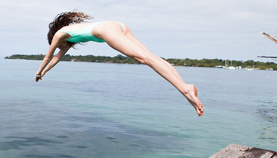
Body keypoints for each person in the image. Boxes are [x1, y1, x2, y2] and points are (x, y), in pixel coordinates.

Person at [35, 11, 204, 116]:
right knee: (149, 56)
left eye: (56, 45)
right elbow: (57, 58)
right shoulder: (69, 36)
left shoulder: (60, 34)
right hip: (119, 25)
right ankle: (185, 87)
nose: (59, 47)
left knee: (143, 58)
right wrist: (44, 73)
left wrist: (38, 72)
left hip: (108, 29)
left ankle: (185, 89)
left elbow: (49, 57)